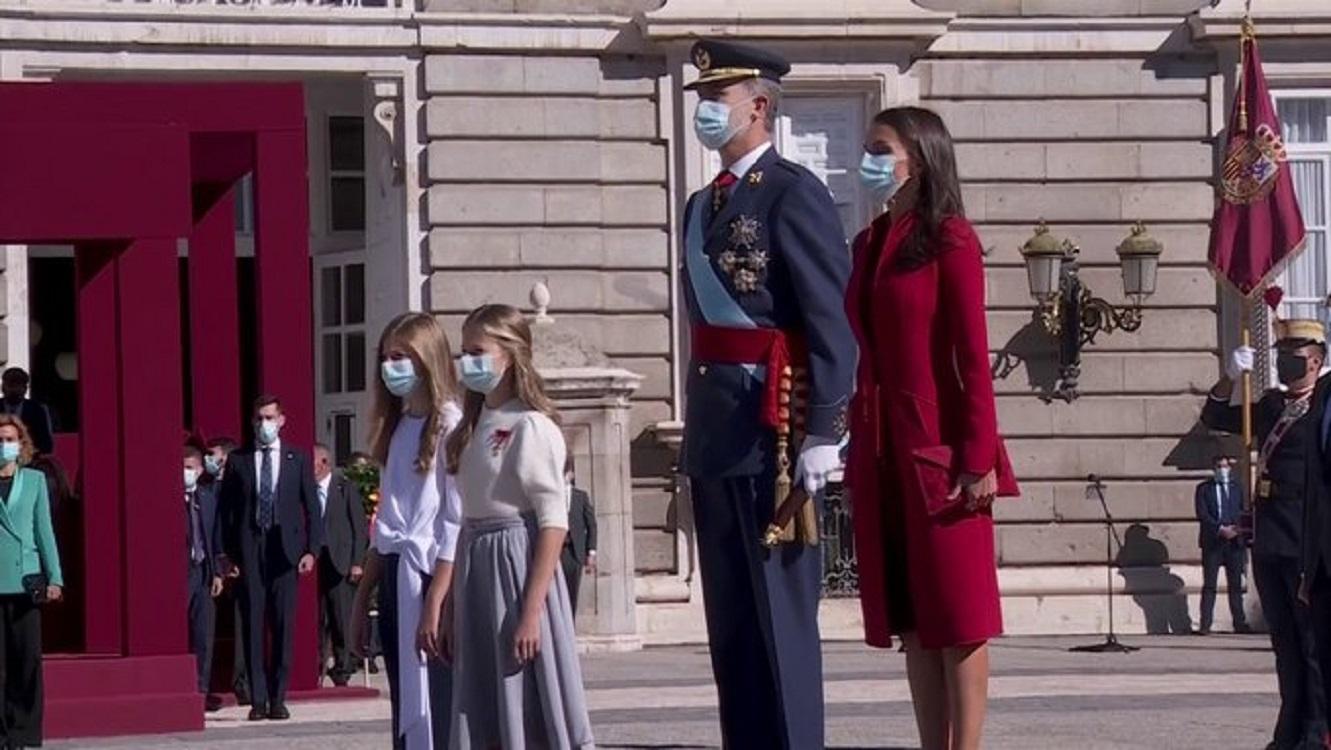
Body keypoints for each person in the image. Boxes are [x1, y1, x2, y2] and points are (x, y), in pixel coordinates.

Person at [677, 39, 856, 750]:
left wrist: (822, 430)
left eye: (715, 102)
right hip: (717, 432)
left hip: (774, 432)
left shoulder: (793, 190)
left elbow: (828, 319)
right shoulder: (700, 205)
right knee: (732, 627)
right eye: (699, 103)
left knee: (780, 622)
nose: (705, 114)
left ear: (758, 106)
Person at [844, 106, 1020, 750]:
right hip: (882, 451)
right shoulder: (866, 244)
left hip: (940, 453)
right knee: (914, 621)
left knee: (959, 618)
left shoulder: (951, 239)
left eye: (880, 148)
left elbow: (973, 357)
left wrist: (977, 459)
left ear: (918, 157)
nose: (869, 159)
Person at [443, 304, 593, 749]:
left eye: (478, 351)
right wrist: (452, 600)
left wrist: (531, 609)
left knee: (524, 688)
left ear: (509, 355)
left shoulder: (531, 426)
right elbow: (465, 516)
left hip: (514, 563)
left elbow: (552, 522)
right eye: (463, 351)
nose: (467, 361)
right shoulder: (472, 428)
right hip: (476, 558)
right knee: (480, 692)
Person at [1204, 320, 1329, 749]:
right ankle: (1289, 731)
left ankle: (1316, 734)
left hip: (1305, 536)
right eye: (1281, 353)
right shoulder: (1273, 406)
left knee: (1311, 644)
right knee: (1285, 644)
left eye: (1294, 354)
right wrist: (1230, 376)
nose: (1284, 361)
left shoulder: (1324, 406)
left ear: (1316, 360)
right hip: (1270, 537)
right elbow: (1214, 416)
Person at [349, 312, 461, 749]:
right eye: (387, 357)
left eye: (403, 357)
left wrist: (435, 599)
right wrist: (362, 600)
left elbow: (454, 518)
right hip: (399, 576)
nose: (392, 366)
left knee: (439, 697)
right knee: (404, 698)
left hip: (436, 576)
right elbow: (387, 528)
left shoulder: (450, 423)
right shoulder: (397, 431)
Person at [219, 396, 323, 721]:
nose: (263, 424)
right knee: (252, 624)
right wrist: (227, 553)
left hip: (286, 549)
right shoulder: (239, 460)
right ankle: (258, 699)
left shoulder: (297, 459)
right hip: (252, 547)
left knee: (282, 624)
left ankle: (279, 697)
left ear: (281, 420)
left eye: (269, 417)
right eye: (258, 418)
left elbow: (312, 508)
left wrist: (311, 550)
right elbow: (227, 512)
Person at [0, 415, 62, 749]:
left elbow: (44, 532)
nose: (4, 446)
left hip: (26, 581)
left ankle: (24, 732)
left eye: (10, 439)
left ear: (22, 445)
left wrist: (56, 577)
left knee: (26, 661)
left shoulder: (35, 480)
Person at [314, 443, 368, 687]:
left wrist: (357, 562)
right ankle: (316, 663)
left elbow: (359, 528)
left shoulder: (345, 489)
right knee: (319, 614)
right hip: (316, 560)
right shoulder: (306, 489)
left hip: (341, 561)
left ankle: (344, 665)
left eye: (314, 462)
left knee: (340, 614)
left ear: (324, 463)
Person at [204, 436, 251, 705]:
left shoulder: (240, 488)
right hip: (211, 566)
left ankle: (242, 682)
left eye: (213, 455)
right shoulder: (205, 487)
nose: (208, 459)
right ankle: (205, 682)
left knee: (241, 626)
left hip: (237, 566)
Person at [183, 445, 225, 712]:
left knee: (204, 634)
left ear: (199, 471)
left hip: (204, 572)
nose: (185, 473)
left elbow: (214, 536)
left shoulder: (207, 498)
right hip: (181, 571)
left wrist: (218, 571)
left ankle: (202, 689)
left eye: (189, 468)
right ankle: (183, 688)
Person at [1194, 455, 1251, 635]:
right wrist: (1219, 529)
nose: (1223, 469)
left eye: (1226, 466)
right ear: (1214, 468)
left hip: (1234, 542)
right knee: (1210, 584)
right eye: (1219, 466)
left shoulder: (1237, 488)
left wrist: (1237, 529)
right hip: (1213, 543)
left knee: (1235, 585)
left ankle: (1239, 623)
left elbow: (1243, 510)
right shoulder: (1203, 489)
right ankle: (1205, 624)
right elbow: (1202, 514)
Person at [560, 457, 596, 619]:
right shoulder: (552, 496)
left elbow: (591, 525)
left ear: (571, 475)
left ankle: (570, 626)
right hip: (556, 551)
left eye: (565, 472)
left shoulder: (580, 497)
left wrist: (591, 552)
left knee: (572, 591)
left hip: (575, 551)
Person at [0, 369, 54, 457]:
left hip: (30, 460)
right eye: (10, 385)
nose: (14, 389)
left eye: (18, 385)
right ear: (2, 387)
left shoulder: (37, 410)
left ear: (25, 388)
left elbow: (46, 444)